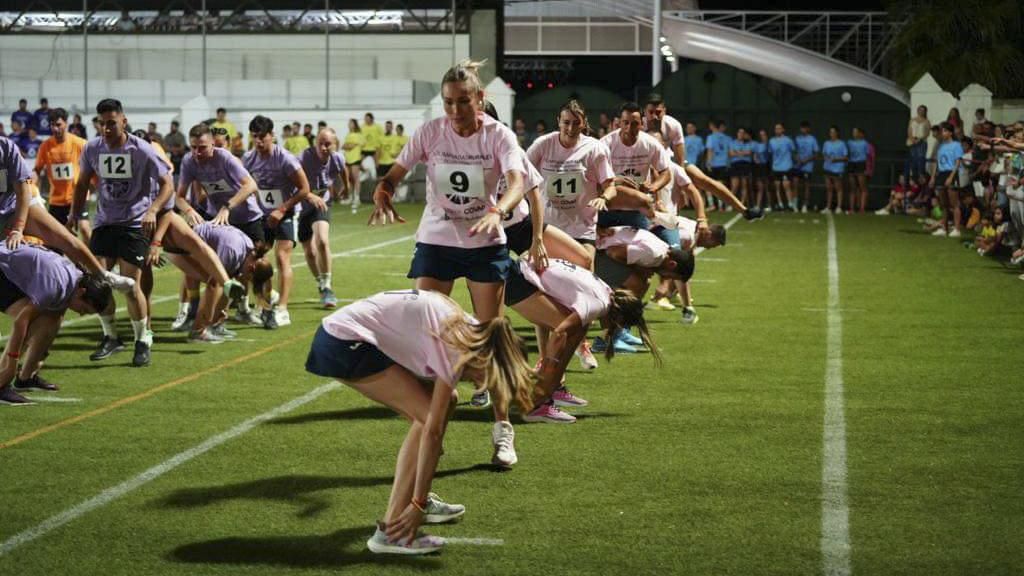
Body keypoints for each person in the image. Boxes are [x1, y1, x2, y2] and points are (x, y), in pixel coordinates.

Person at [369, 59, 530, 468]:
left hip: (484, 242)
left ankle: (502, 430)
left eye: (463, 102)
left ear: (480, 99)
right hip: (437, 240)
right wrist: (384, 188)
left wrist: (499, 211)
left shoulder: (499, 135)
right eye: (448, 103)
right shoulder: (430, 131)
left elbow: (516, 182)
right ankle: (427, 429)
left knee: (491, 337)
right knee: (424, 335)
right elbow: (397, 170)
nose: (455, 111)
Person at [304, 289, 535, 555]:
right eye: (489, 378)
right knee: (427, 421)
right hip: (343, 342)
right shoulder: (455, 348)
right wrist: (418, 502)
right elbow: (433, 433)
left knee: (445, 403)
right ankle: (391, 532)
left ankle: (409, 503)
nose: (482, 384)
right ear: (487, 358)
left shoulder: (471, 334)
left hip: (350, 337)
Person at [69, 98, 174, 366]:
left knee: (131, 286)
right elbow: (81, 185)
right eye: (102, 124)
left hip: (134, 223)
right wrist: (74, 214)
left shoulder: (142, 150)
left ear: (123, 121)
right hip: (104, 222)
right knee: (97, 284)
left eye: (111, 123)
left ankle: (142, 340)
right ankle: (111, 337)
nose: (106, 129)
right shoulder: (92, 149)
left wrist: (152, 210)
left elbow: (167, 184)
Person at [504, 257, 656, 423]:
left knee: (579, 328)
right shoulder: (599, 304)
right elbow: (560, 332)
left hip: (519, 272)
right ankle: (539, 403)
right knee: (572, 331)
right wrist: (549, 365)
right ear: (618, 317)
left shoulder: (606, 292)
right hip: (516, 279)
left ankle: (551, 389)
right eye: (621, 325)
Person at [0, 244, 115, 405]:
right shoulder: (55, 288)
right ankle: (3, 381)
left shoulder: (75, 281)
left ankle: (26, 377)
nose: (81, 313)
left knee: (53, 317)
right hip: (3, 271)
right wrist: (12, 364)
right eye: (84, 309)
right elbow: (21, 321)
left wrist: (41, 353)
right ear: (82, 292)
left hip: (8, 270)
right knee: (34, 322)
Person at [173, 123, 264, 327]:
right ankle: (196, 313)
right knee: (212, 267)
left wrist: (227, 207)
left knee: (249, 268)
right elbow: (178, 197)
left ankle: (247, 308)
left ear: (213, 144)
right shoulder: (189, 161)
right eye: (193, 147)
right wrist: (189, 210)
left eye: (202, 147)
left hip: (247, 217)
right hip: (218, 221)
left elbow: (251, 185)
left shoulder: (225, 158)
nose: (197, 152)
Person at [243, 115, 315, 328]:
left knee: (282, 257)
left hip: (287, 213)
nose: (258, 141)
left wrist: (282, 209)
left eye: (262, 136)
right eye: (254, 136)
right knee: (257, 260)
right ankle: (264, 304)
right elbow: (246, 185)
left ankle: (282, 309)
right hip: (262, 215)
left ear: (272, 135)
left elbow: (304, 189)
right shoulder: (248, 159)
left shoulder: (285, 159)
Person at [599, 101, 671, 232]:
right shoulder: (605, 144)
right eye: (625, 123)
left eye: (635, 124)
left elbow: (666, 173)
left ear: (642, 124)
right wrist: (614, 181)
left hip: (637, 208)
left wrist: (653, 187)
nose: (629, 128)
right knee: (604, 250)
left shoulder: (650, 144)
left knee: (642, 248)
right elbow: (592, 177)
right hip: (608, 207)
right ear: (619, 123)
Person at [298, 127, 346, 309]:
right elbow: (292, 178)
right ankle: (320, 282)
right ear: (315, 143)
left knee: (323, 241)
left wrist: (346, 188)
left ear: (335, 144)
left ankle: (327, 284)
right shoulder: (303, 158)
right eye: (321, 144)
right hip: (301, 206)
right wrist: (308, 195)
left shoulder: (338, 158)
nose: (324, 148)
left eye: (328, 144)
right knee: (309, 252)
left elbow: (343, 171)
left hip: (322, 204)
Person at [34, 108, 92, 244]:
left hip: (78, 196)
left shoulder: (80, 144)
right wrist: (31, 187)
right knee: (55, 237)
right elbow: (37, 170)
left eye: (58, 124)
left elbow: (92, 169)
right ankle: (71, 264)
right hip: (57, 200)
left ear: (66, 123)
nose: (55, 128)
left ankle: (96, 261)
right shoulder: (45, 146)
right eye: (52, 125)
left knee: (84, 228)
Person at [930, 122, 965, 237]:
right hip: (941, 174)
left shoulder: (956, 145)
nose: (942, 133)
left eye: (945, 131)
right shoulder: (941, 146)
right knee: (943, 204)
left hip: (951, 173)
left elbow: (957, 162)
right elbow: (936, 162)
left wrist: (951, 177)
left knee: (954, 203)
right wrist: (933, 176)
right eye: (942, 131)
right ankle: (944, 228)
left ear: (950, 133)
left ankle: (957, 229)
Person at [644, 93, 684, 165]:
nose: (655, 116)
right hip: (642, 161)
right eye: (651, 112)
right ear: (645, 112)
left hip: (667, 158)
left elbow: (679, 159)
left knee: (696, 174)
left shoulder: (673, 125)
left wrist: (680, 173)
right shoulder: (637, 126)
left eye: (658, 112)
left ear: (664, 111)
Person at [768, 123, 797, 212]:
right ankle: (780, 205)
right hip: (776, 167)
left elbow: (793, 151)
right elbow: (771, 153)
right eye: (776, 128)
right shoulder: (771, 141)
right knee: (777, 186)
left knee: (786, 186)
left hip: (786, 167)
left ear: (783, 130)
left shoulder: (788, 140)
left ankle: (790, 204)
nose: (778, 130)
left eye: (779, 128)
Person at [821, 126, 848, 214]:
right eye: (830, 132)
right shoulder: (826, 143)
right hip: (827, 168)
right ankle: (828, 207)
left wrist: (836, 159)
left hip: (838, 168)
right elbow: (824, 154)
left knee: (838, 188)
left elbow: (845, 157)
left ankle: (839, 207)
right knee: (829, 188)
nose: (831, 134)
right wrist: (827, 158)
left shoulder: (842, 144)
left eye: (833, 132)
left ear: (837, 133)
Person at [704, 120, 732, 208]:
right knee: (721, 185)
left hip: (714, 164)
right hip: (724, 163)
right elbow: (729, 152)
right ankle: (721, 205)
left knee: (709, 185)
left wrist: (708, 162)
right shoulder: (728, 138)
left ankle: (712, 204)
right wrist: (728, 162)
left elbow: (710, 150)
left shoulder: (711, 137)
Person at [793, 121, 819, 212]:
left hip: (807, 167)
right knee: (795, 184)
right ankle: (795, 205)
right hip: (797, 166)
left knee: (806, 186)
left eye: (805, 128)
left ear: (808, 129)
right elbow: (794, 151)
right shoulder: (797, 138)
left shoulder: (812, 139)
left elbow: (816, 154)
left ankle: (805, 205)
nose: (803, 130)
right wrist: (798, 159)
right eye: (802, 128)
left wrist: (806, 160)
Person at [342, 119, 365, 213]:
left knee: (356, 178)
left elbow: (351, 146)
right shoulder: (348, 135)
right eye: (349, 123)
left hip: (355, 159)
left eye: (351, 123)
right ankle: (350, 197)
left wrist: (349, 145)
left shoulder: (359, 135)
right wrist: (348, 145)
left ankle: (357, 198)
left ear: (355, 125)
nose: (349, 125)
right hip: (347, 159)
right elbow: (344, 146)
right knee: (349, 179)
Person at [728, 127, 754, 208]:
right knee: (735, 185)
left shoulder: (748, 143)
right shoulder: (732, 143)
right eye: (739, 132)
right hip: (735, 164)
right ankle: (730, 204)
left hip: (745, 164)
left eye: (743, 133)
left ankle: (742, 204)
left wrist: (737, 152)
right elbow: (731, 154)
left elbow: (749, 153)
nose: (741, 134)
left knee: (744, 184)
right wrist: (742, 153)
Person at [846, 127, 870, 214]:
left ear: (860, 134)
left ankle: (862, 208)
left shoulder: (865, 143)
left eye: (856, 132)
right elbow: (847, 153)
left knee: (862, 187)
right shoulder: (849, 142)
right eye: (853, 132)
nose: (854, 133)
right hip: (852, 164)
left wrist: (867, 168)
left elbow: (868, 156)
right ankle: (852, 209)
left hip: (860, 164)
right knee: (852, 188)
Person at [906, 105, 930, 182]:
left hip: (921, 142)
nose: (921, 111)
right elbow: (909, 130)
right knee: (913, 158)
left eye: (923, 110)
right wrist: (912, 139)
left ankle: (921, 175)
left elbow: (927, 133)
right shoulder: (912, 120)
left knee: (921, 158)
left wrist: (920, 139)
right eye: (920, 110)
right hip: (913, 141)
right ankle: (914, 176)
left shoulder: (926, 121)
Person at [361, 112, 384, 181]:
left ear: (371, 119)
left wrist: (380, 149)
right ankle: (366, 172)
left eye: (367, 119)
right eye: (365, 119)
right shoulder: (362, 127)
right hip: (365, 148)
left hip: (374, 148)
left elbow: (382, 138)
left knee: (377, 164)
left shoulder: (378, 127)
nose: (366, 120)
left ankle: (378, 178)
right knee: (358, 162)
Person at [752, 128, 770, 210]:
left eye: (764, 135)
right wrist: (756, 160)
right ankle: (758, 205)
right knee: (760, 187)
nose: (762, 137)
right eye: (761, 135)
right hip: (759, 167)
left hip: (767, 166)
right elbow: (755, 155)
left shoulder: (769, 145)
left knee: (767, 187)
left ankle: (769, 205)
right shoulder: (757, 145)